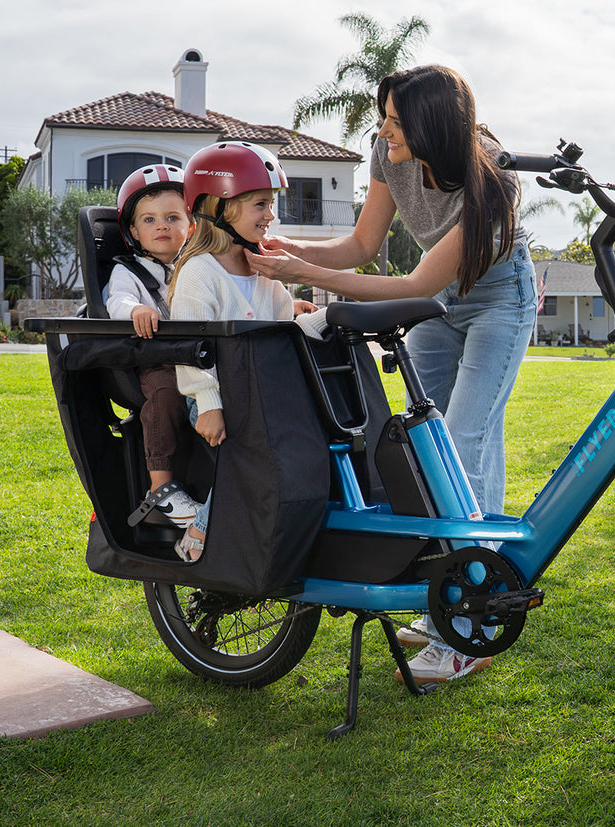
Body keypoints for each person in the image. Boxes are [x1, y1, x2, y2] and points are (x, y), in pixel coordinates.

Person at [246, 65, 536, 682]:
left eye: (396, 121)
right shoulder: (388, 156)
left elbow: (415, 283)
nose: (383, 130)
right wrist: (288, 251)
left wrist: (305, 275)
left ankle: (467, 630)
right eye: (384, 117)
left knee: (464, 443)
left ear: (434, 125)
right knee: (424, 449)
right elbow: (359, 247)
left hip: (497, 300)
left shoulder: (495, 177)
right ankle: (468, 596)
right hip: (440, 303)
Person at [168, 140, 313, 562]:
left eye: (272, 204)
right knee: (254, 455)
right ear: (220, 206)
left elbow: (284, 330)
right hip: (215, 398)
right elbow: (189, 349)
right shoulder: (200, 272)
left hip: (259, 395)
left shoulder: (265, 269)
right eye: (260, 204)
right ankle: (203, 526)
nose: (271, 215)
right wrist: (208, 405)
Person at [105, 164, 201, 527]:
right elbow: (116, 301)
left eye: (172, 217)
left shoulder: (199, 266)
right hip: (154, 359)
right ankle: (160, 488)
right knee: (165, 393)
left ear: (191, 226)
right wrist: (136, 309)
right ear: (133, 231)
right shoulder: (127, 271)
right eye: (149, 220)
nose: (162, 226)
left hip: (199, 356)